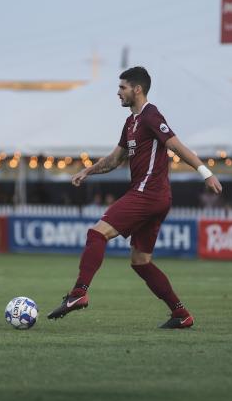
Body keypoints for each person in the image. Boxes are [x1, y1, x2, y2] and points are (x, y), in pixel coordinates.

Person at [47, 66, 222, 328]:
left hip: (148, 192)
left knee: (97, 234)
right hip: (154, 196)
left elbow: (175, 145)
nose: (118, 93)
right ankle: (181, 314)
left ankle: (78, 293)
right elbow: (115, 159)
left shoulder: (152, 115)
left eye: (122, 88)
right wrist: (88, 171)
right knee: (141, 262)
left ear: (137, 89)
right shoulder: (131, 123)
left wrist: (206, 173)